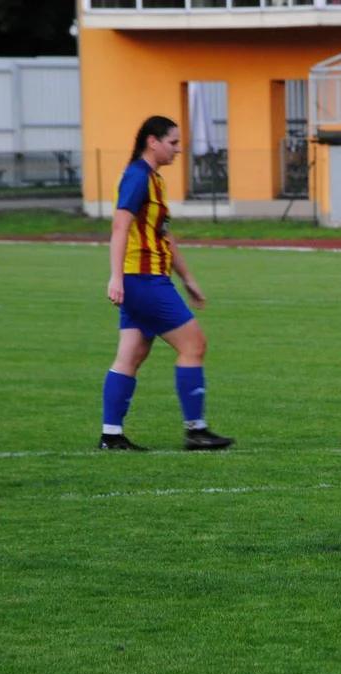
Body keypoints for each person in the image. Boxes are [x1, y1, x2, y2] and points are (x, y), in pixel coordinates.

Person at [100, 115, 235, 451]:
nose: (178, 149)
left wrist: (187, 278)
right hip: (142, 280)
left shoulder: (154, 180)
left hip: (147, 279)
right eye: (173, 142)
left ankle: (111, 436)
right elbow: (119, 227)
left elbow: (164, 235)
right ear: (152, 141)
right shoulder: (136, 177)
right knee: (194, 344)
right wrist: (116, 277)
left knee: (130, 356)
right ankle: (196, 430)